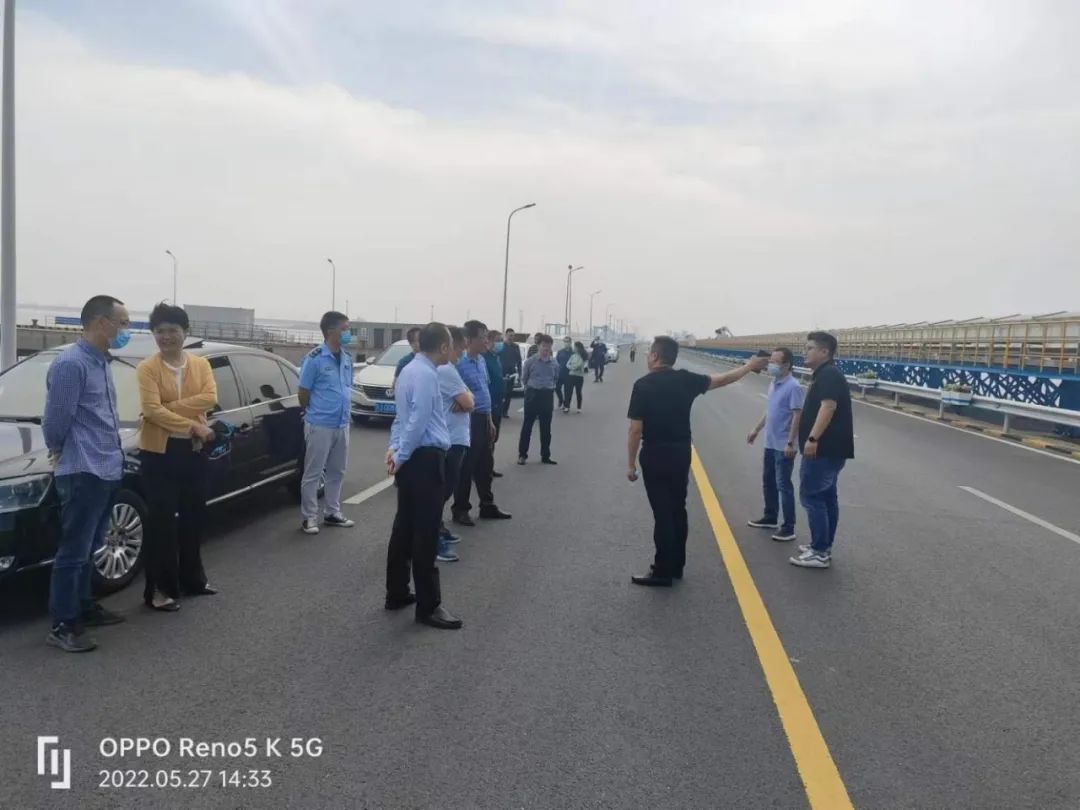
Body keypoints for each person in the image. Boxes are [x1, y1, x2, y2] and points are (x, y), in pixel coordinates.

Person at [626, 337, 768, 586]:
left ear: (655, 356)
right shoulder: (686, 380)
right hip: (681, 452)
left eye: (649, 353)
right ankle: (677, 565)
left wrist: (630, 464)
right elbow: (724, 379)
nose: (648, 356)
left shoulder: (643, 385)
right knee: (678, 509)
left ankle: (662, 571)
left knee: (663, 513)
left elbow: (635, 430)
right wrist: (748, 366)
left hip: (656, 453)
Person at [41, 295, 131, 652]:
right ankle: (63, 624)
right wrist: (57, 449)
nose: (126, 330)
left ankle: (84, 606)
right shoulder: (71, 364)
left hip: (106, 466)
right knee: (74, 551)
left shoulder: (101, 362)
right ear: (102, 323)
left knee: (91, 546)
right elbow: (55, 420)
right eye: (122, 323)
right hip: (83, 468)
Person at [136, 303, 220, 612]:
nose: (166, 337)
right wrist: (193, 424)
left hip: (193, 451)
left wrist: (167, 408)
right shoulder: (147, 368)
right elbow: (150, 410)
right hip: (158, 454)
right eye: (160, 331)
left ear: (185, 332)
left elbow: (210, 397)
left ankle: (193, 580)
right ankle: (160, 590)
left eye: (172, 330)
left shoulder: (201, 364)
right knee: (161, 523)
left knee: (193, 518)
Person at [385, 322, 463, 629]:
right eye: (450, 345)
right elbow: (417, 420)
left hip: (411, 459)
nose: (452, 350)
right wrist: (401, 454)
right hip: (426, 459)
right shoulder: (428, 375)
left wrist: (395, 450)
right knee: (425, 534)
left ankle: (397, 591)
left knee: (404, 528)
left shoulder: (408, 370)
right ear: (443, 347)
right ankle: (429, 606)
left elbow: (401, 418)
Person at [790, 332, 855, 569]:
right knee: (826, 498)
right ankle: (822, 546)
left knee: (812, 497)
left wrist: (813, 438)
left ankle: (819, 552)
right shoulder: (826, 374)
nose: (805, 352)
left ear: (824, 352)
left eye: (809, 348)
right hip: (831, 450)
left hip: (824, 449)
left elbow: (828, 407)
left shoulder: (828, 375)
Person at [297, 312, 357, 535]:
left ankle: (332, 512)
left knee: (337, 471)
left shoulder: (347, 358)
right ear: (331, 331)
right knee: (313, 473)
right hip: (320, 423)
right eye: (345, 329)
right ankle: (309, 517)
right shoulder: (314, 358)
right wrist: (313, 412)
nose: (348, 333)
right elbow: (303, 392)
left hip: (342, 423)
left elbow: (346, 388)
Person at [452, 320, 512, 525]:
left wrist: (490, 421)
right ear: (469, 340)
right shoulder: (459, 364)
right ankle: (460, 509)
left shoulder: (481, 361)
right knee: (466, 467)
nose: (487, 341)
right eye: (482, 337)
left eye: (487, 337)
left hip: (485, 418)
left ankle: (487, 504)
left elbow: (484, 390)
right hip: (469, 420)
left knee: (486, 465)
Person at [746, 348, 804, 542]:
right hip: (770, 443)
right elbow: (770, 410)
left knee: (783, 485)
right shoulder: (774, 383)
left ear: (786, 364)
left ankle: (788, 527)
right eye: (770, 361)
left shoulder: (793, 386)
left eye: (775, 361)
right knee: (768, 481)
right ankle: (770, 516)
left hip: (783, 445)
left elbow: (797, 416)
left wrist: (791, 442)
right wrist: (756, 429)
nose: (770, 364)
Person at [436, 326, 474, 563]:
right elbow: (469, 402)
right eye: (459, 347)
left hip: (455, 438)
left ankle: (438, 529)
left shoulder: (450, 369)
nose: (461, 352)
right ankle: (432, 538)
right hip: (449, 439)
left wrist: (467, 399)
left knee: (445, 490)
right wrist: (467, 400)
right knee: (440, 492)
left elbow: (470, 397)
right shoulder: (446, 371)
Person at [517, 334, 559, 465]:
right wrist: (530, 388)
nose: (546, 349)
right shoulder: (530, 362)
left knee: (546, 428)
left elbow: (556, 378)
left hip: (547, 395)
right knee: (527, 426)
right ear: (538, 346)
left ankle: (545, 455)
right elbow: (524, 378)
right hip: (533, 394)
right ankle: (522, 455)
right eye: (544, 346)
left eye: (548, 346)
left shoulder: (554, 363)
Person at [484, 329, 507, 478]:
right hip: (488, 404)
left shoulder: (495, 357)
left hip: (498, 403)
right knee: (486, 439)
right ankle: (481, 470)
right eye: (498, 340)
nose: (500, 344)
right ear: (490, 341)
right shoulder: (483, 358)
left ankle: (489, 467)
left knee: (493, 438)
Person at [498, 328, 523, 419]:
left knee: (508, 393)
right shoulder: (500, 346)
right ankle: (498, 410)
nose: (511, 337)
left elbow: (519, 361)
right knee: (501, 393)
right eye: (510, 335)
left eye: (513, 336)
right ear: (506, 335)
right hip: (501, 373)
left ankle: (505, 411)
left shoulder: (515, 347)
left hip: (511, 373)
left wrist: (520, 373)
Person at [562, 341, 588, 413]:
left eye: (575, 347)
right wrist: (572, 367)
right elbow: (567, 364)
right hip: (571, 376)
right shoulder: (573, 356)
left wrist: (572, 367)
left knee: (578, 392)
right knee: (569, 392)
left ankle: (579, 407)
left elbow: (578, 365)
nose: (574, 348)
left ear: (578, 348)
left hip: (579, 377)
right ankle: (567, 407)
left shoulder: (582, 356)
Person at [555, 336, 573, 410]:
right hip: (560, 373)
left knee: (567, 391)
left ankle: (566, 405)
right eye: (565, 341)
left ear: (570, 342)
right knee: (557, 388)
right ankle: (561, 399)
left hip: (569, 374)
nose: (566, 343)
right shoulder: (560, 352)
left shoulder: (573, 353)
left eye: (567, 341)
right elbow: (557, 362)